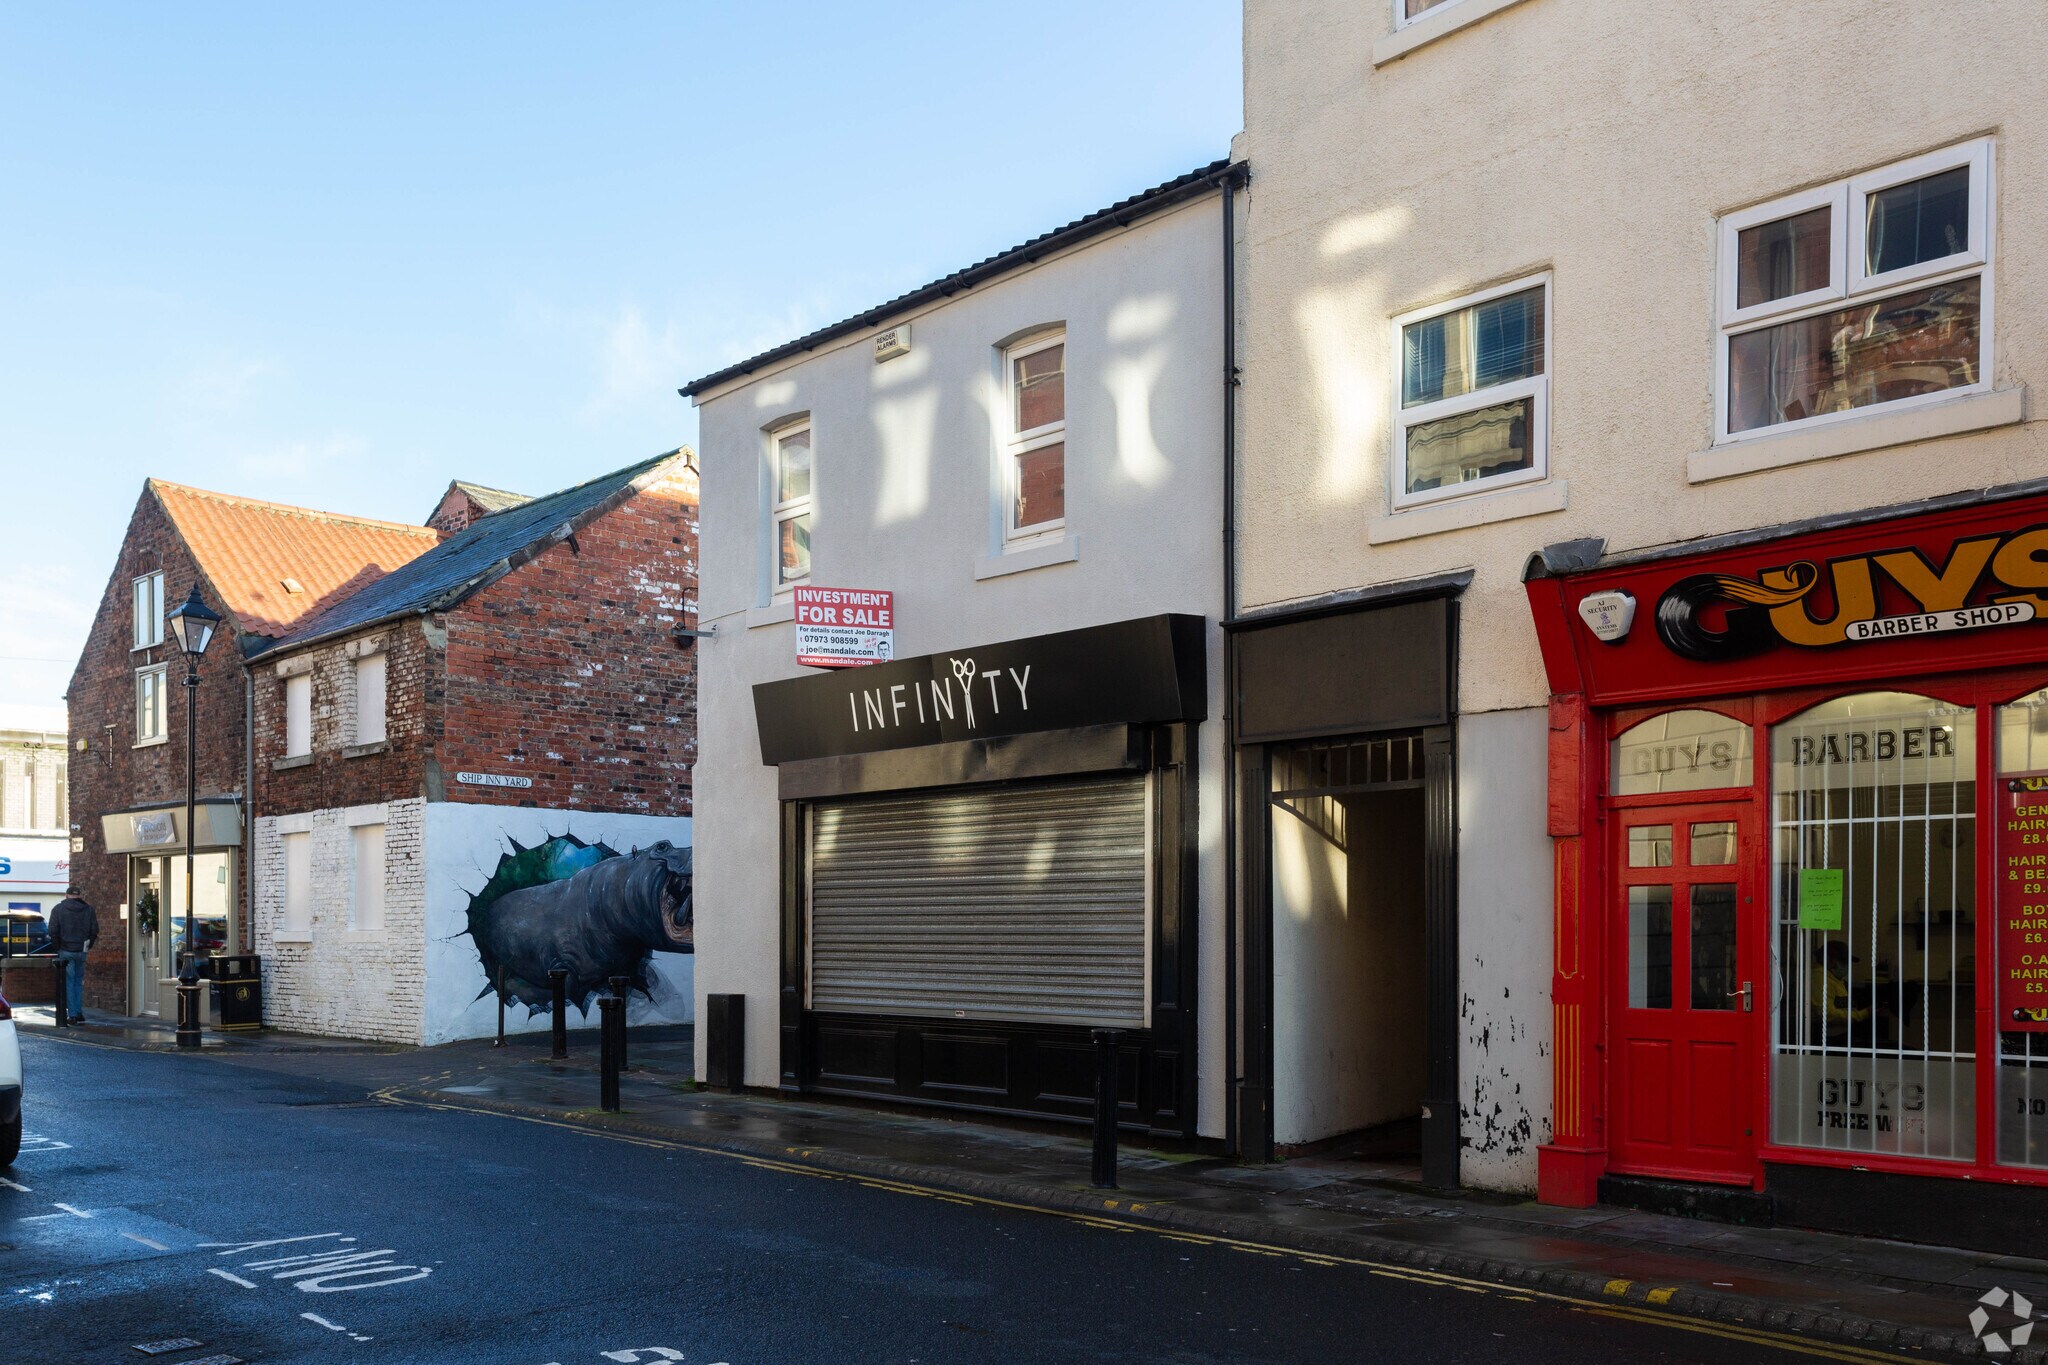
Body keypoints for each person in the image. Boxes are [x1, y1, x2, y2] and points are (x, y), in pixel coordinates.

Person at [47, 885, 98, 1025]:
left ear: (66, 895)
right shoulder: (89, 910)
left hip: (65, 950)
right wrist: (87, 946)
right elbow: (94, 931)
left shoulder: (58, 909)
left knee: (68, 982)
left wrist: (59, 948)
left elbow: (52, 930)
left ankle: (73, 1014)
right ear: (79, 895)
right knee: (77, 982)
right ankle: (79, 1011)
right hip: (81, 950)